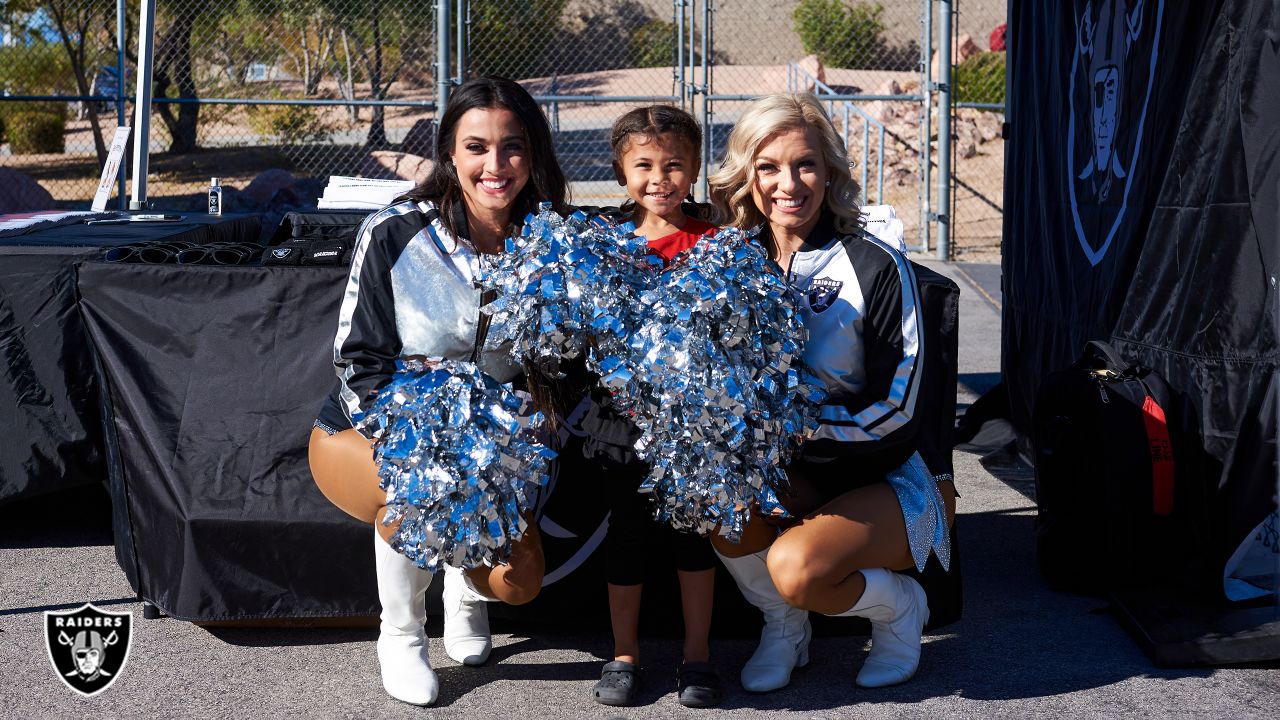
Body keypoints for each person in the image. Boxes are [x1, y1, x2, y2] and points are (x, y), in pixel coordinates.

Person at [307, 76, 569, 707]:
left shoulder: (553, 238)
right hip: (365, 432)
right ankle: (399, 635)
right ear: (450, 153)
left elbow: (557, 361)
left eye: (512, 147)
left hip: (494, 449)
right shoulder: (396, 230)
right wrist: (428, 444)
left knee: (518, 583)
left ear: (533, 154)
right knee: (424, 485)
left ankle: (463, 591)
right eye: (476, 147)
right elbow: (358, 359)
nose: (495, 166)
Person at [706, 93, 957, 692]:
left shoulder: (876, 265)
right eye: (768, 167)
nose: (788, 183)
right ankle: (785, 628)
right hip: (794, 468)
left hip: (888, 472)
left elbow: (901, 407)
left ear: (830, 171)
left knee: (796, 569)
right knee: (715, 503)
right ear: (747, 174)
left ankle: (901, 610)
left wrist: (796, 428)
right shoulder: (727, 259)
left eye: (805, 164)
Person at [582, 105, 722, 708]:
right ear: (621, 169)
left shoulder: (716, 238)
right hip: (623, 422)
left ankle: (697, 657)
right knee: (629, 536)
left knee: (694, 536)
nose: (659, 178)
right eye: (643, 165)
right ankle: (624, 656)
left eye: (674, 165)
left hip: (695, 422)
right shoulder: (602, 243)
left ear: (694, 170)